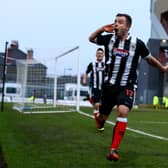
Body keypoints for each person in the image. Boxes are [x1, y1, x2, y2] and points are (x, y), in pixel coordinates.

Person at [89, 13, 168, 161]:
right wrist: (101, 29)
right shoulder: (109, 39)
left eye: (119, 22)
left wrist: (162, 68)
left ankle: (113, 150)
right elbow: (91, 39)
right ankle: (99, 118)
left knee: (123, 110)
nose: (116, 24)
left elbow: (149, 59)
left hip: (127, 85)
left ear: (128, 26)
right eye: (115, 22)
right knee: (102, 119)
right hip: (109, 86)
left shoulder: (137, 43)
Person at [82, 48, 105, 131]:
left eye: (101, 53)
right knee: (96, 105)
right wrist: (84, 79)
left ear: (103, 55)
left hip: (103, 89)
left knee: (102, 107)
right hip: (94, 88)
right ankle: (99, 125)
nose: (99, 54)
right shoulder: (92, 64)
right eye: (98, 53)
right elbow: (86, 72)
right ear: (96, 55)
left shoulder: (106, 65)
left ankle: (89, 98)